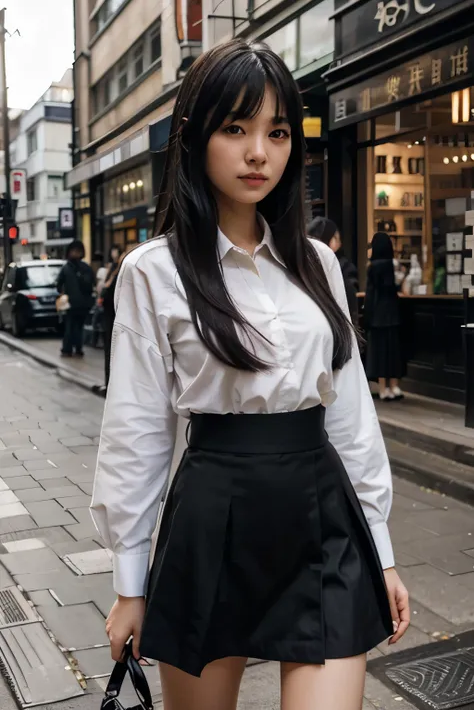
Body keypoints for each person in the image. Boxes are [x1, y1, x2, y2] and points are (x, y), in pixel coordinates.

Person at [90, 40, 409, 710]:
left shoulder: (318, 262)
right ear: (196, 136)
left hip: (322, 509)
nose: (259, 151)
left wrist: (379, 548)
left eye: (278, 131)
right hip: (212, 512)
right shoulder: (155, 270)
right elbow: (137, 428)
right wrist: (129, 583)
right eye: (236, 128)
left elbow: (350, 412)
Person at [364, 232, 404, 401]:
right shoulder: (393, 265)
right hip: (392, 313)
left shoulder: (372, 267)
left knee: (379, 351)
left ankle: (382, 388)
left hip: (377, 315)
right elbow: (394, 287)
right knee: (393, 351)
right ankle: (394, 386)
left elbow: (371, 292)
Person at [308, 217, 359, 324]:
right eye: (335, 237)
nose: (339, 240)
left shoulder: (304, 265)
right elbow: (349, 304)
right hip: (337, 327)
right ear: (329, 241)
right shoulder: (342, 266)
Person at [57, 240, 94, 357]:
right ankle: (74, 348)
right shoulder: (81, 268)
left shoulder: (69, 268)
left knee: (73, 326)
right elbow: (59, 284)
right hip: (76, 303)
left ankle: (70, 348)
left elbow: (58, 284)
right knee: (73, 327)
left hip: (78, 303)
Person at [98, 245, 122, 387]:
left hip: (114, 314)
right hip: (111, 314)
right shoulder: (114, 268)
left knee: (113, 350)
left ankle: (111, 384)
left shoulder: (119, 269)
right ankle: (109, 383)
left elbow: (107, 290)